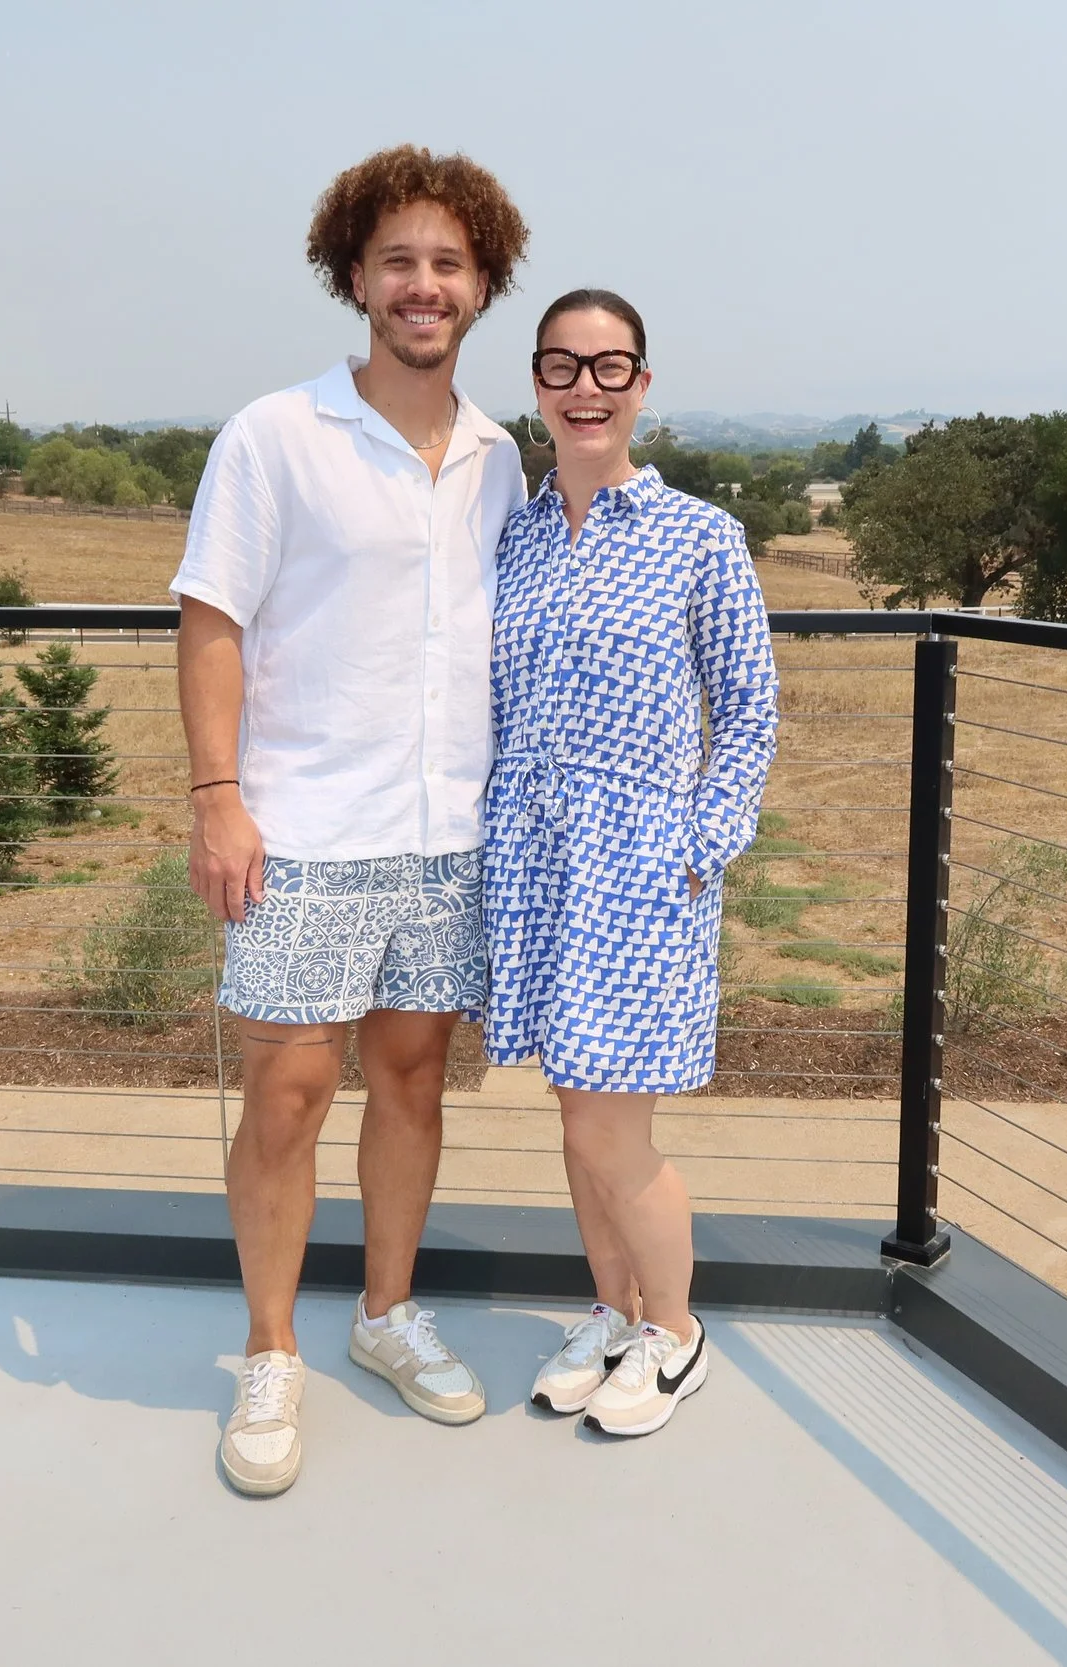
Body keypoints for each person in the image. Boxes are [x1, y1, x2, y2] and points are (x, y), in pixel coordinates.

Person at [172, 146, 530, 1497]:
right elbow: (212, 622)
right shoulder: (277, 434)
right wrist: (219, 796)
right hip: (305, 827)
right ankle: (271, 1348)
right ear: (354, 277)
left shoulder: (503, 456)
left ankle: (384, 1315)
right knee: (288, 1088)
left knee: (415, 1077)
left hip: (449, 834)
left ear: (482, 281)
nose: (422, 284)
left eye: (447, 261)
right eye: (398, 261)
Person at [483, 289, 780, 1436]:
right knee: (573, 1115)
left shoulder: (699, 536)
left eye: (611, 366)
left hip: (641, 866)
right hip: (535, 859)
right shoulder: (511, 531)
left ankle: (677, 1332)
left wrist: (698, 849)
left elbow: (749, 713)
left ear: (642, 385)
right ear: (540, 385)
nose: (586, 387)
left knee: (615, 1126)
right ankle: (612, 1311)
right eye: (563, 366)